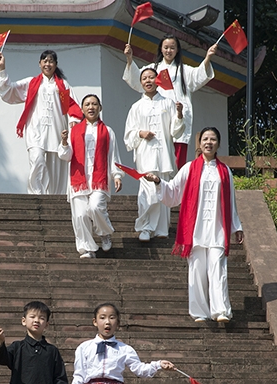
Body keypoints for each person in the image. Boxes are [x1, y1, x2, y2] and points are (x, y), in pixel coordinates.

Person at [144, 126, 244, 322]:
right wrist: (158, 182)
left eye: (213, 139)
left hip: (217, 228)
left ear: (218, 144)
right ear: (200, 144)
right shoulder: (190, 168)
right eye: (205, 139)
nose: (209, 142)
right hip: (195, 229)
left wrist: (236, 227)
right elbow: (173, 192)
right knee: (197, 269)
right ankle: (199, 312)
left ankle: (221, 311)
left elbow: (231, 201)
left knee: (218, 269)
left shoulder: (225, 171)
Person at [0, 50, 82, 195]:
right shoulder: (31, 83)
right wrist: (2, 68)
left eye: (51, 61)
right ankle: (35, 195)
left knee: (55, 168)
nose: (48, 64)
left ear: (55, 64)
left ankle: (56, 199)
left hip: (56, 129)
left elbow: (72, 105)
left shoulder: (61, 85)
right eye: (45, 61)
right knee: (37, 160)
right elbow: (9, 90)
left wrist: (73, 119)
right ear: (40, 63)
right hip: (35, 129)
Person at [123, 34, 217, 167]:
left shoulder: (184, 70)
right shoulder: (152, 70)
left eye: (172, 48)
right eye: (166, 47)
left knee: (175, 165)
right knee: (151, 164)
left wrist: (208, 58)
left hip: (177, 121)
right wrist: (129, 58)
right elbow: (136, 79)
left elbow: (199, 76)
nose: (169, 51)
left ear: (177, 49)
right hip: (155, 123)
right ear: (161, 49)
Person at [57, 94, 123, 259]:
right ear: (82, 109)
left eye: (94, 104)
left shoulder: (108, 131)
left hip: (99, 179)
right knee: (80, 215)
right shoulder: (74, 131)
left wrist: (117, 175)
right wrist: (64, 142)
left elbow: (113, 156)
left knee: (95, 207)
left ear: (100, 108)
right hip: (78, 179)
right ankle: (87, 249)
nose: (91, 107)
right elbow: (65, 156)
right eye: (87, 104)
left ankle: (105, 233)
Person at [123, 67, 184, 242]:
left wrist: (179, 114)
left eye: (151, 77)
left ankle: (161, 229)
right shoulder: (136, 107)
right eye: (144, 78)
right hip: (145, 155)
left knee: (162, 189)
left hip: (164, 154)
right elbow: (128, 134)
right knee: (148, 191)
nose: (148, 81)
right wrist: (140, 134)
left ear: (157, 80)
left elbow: (176, 131)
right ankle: (145, 227)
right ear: (141, 83)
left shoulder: (168, 103)